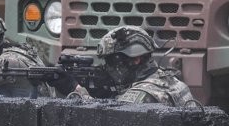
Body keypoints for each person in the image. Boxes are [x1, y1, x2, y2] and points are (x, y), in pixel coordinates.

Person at [70, 26, 198, 107]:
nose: (107, 67)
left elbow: (109, 125)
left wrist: (76, 90)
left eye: (111, 61)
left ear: (136, 59)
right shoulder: (170, 80)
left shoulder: (142, 95)